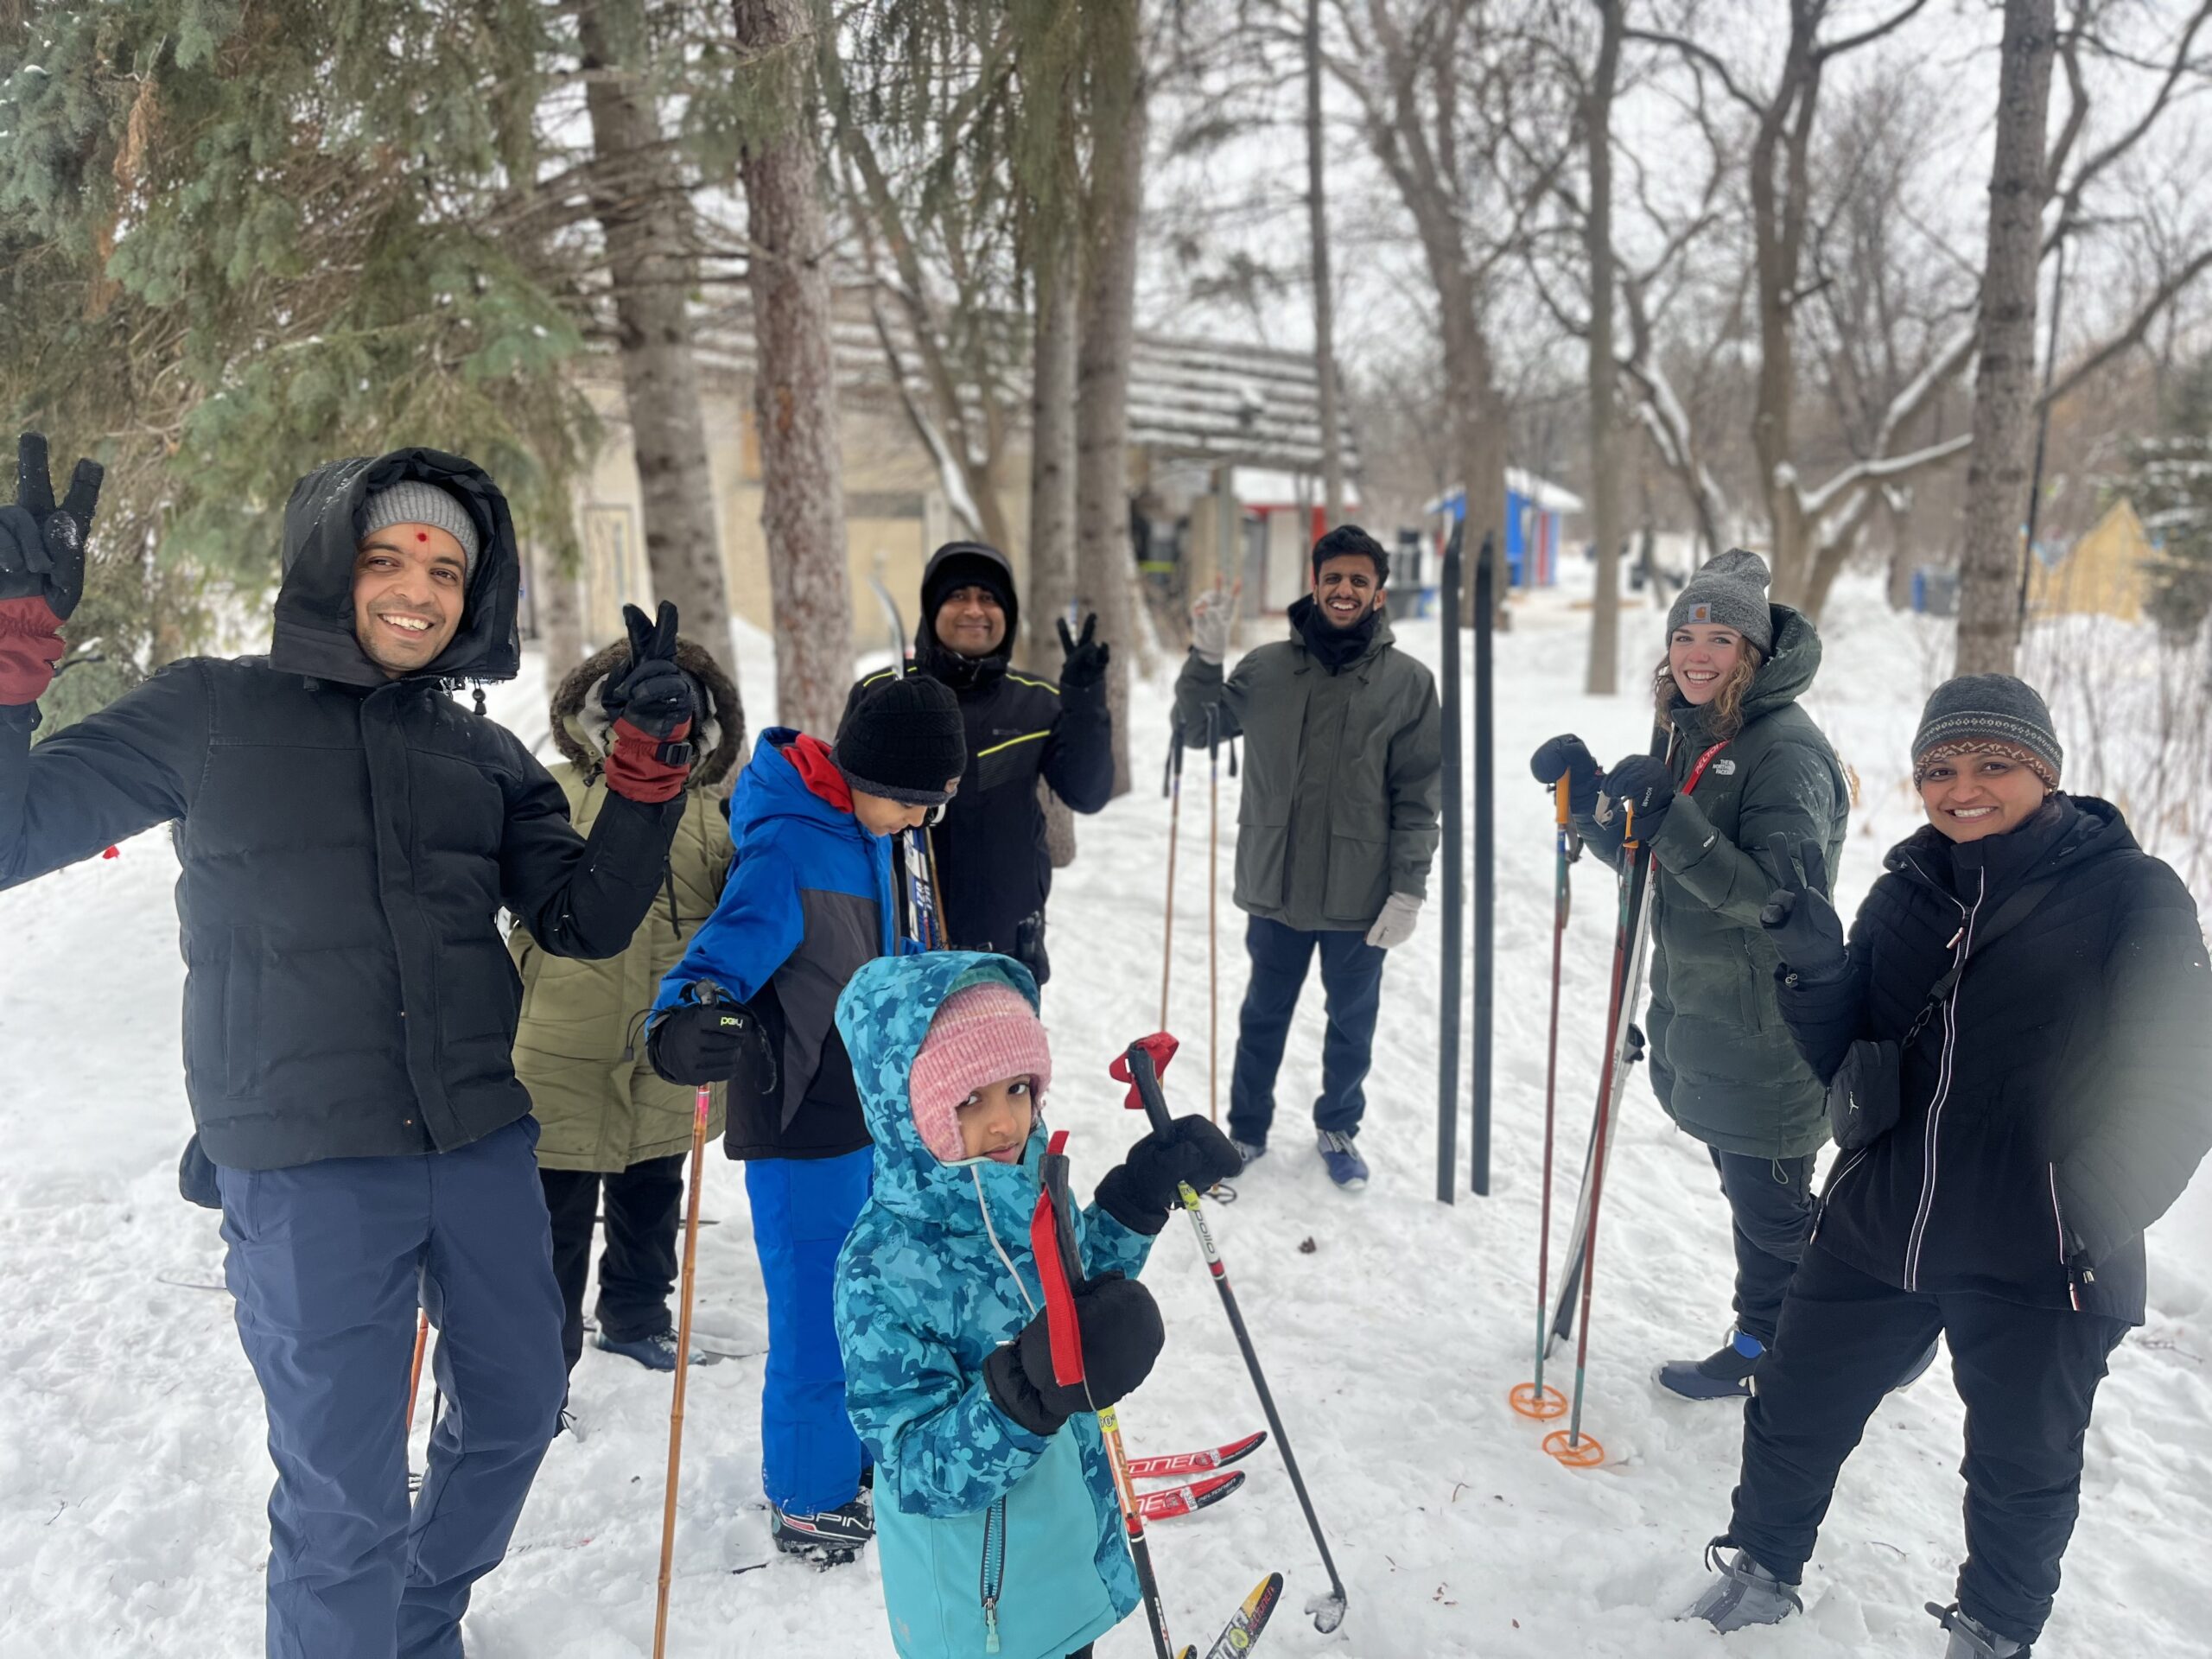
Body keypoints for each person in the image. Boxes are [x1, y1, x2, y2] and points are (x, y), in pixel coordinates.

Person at [0, 436, 697, 1658]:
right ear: (332, 564)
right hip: (305, 1161)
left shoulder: (483, 755)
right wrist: (11, 657)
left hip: (478, 1141)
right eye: (387, 557)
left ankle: (415, 1624)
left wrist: (643, 783)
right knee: (343, 1500)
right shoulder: (210, 711)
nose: (417, 590)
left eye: (445, 566)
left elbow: (582, 920)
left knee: (521, 1410)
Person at [1688, 675, 2212, 1658]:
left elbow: (2184, 1074)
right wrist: (1811, 968)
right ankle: (1760, 1568)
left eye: (1991, 764)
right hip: (1883, 1219)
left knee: (2020, 1466)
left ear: (2044, 771)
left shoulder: (2128, 892)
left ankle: (1992, 1632)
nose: (1962, 787)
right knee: (1794, 1404)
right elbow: (1847, 1058)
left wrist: (2085, 1211)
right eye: (1938, 769)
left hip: (2042, 1244)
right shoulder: (1907, 889)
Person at [830, 948, 1241, 1659]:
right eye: (970, 1100)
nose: (1003, 1123)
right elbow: (915, 1470)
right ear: (909, 1111)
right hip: (981, 1604)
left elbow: (1073, 1295)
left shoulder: (1027, 1187)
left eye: (1017, 1088)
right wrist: (1027, 1393)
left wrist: (1136, 1200)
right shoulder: (882, 1267)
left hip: (1059, 1551)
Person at [645, 674, 966, 1562]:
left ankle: (854, 1458)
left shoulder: (881, 837)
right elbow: (713, 964)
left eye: (931, 807)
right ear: (863, 771)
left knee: (871, 1308)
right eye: (909, 801)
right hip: (798, 1120)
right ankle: (805, 1498)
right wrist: (683, 1023)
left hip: (873, 1120)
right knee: (817, 1325)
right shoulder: (790, 847)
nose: (916, 822)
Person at [1532, 549, 1849, 1399]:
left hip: (1768, 1033)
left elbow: (1781, 902)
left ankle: (1780, 1347)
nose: (1696, 653)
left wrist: (1672, 819)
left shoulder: (1784, 754)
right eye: (1684, 634)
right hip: (1706, 1023)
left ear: (1753, 650)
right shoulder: (1697, 734)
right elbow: (1655, 862)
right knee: (1764, 1208)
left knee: (1774, 1217)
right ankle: (1855, 1322)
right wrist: (1594, 798)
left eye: (1719, 636)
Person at [1174, 524, 1441, 1189]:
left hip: (1362, 891)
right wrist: (1205, 657)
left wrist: (1409, 888)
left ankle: (1337, 1125)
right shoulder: (1265, 669)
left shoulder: (1408, 684)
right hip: (1276, 882)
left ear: (1378, 593)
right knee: (1263, 1013)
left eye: (1359, 580)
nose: (1344, 589)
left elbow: (1418, 796)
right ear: (1314, 584)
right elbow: (1198, 727)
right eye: (1333, 578)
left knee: (1352, 1021)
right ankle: (1245, 1129)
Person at [512, 633, 743, 1376]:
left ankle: (637, 1315)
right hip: (558, 1039)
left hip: (666, 1039)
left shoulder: (715, 810)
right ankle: (543, 1360)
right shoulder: (549, 788)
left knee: (652, 1191)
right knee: (555, 1211)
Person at [841, 541, 1112, 985]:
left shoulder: (1035, 702)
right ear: (932, 609)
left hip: (1004, 943)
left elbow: (1088, 792)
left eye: (988, 598)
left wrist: (1084, 701)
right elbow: (842, 798)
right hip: (897, 940)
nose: (974, 610)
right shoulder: (881, 693)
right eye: (957, 596)